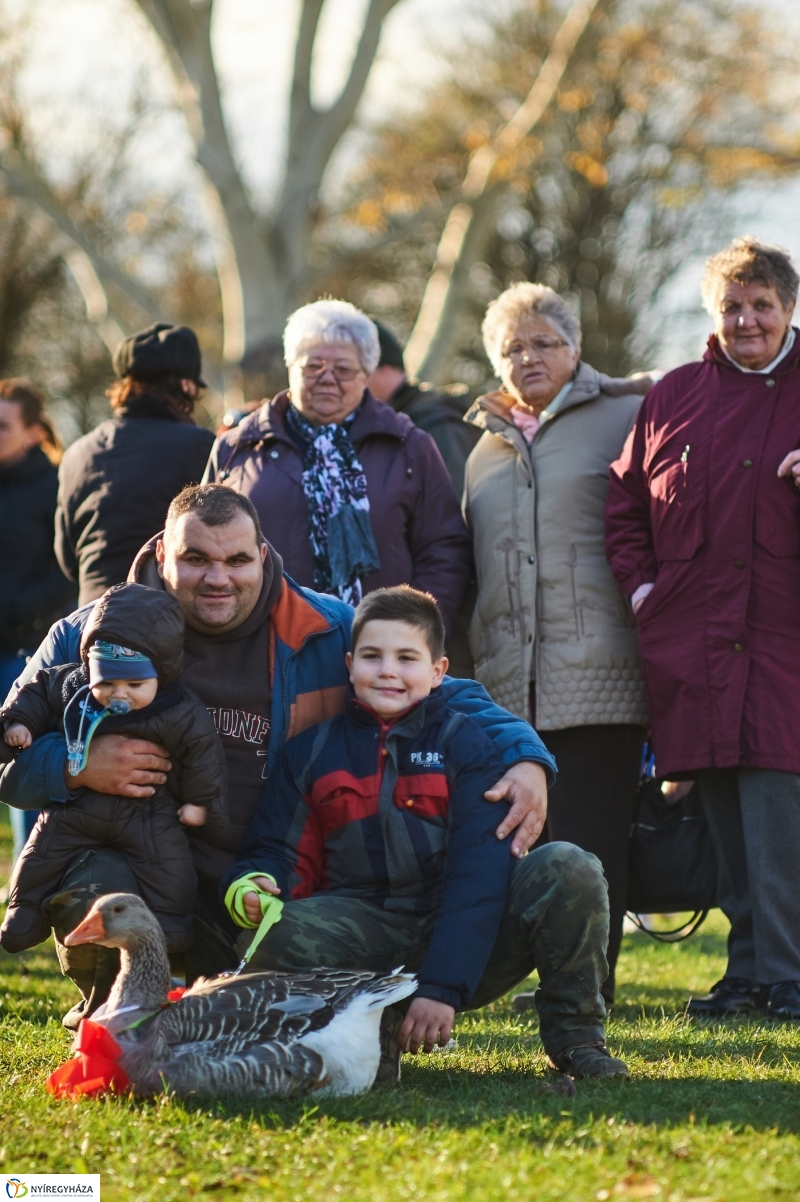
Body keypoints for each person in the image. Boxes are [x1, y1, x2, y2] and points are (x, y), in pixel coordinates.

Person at [0, 483, 554, 1027]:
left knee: (254, 1016)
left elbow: (447, 693)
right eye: (196, 559)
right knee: (96, 886)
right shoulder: (87, 633)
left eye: (237, 560)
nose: (218, 578)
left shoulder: (326, 628)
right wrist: (77, 765)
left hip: (272, 890)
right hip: (142, 872)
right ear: (163, 554)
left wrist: (527, 758)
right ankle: (114, 1013)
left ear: (263, 556)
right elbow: (8, 750)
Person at [223, 586, 627, 1081]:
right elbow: (280, 852)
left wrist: (442, 988)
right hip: (365, 932)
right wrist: (256, 884)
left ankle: (578, 1038)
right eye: (372, 656)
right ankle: (369, 1028)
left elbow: (478, 875)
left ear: (438, 672)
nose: (387, 671)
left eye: (406, 658)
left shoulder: (469, 745)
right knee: (276, 931)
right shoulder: (309, 752)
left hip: (467, 932)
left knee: (570, 867)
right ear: (349, 665)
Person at [606, 235, 800, 1020]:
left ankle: (787, 974)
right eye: (732, 306)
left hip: (784, 644)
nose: (746, 320)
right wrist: (644, 592)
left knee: (779, 814)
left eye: (762, 305)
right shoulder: (675, 395)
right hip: (695, 644)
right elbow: (625, 506)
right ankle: (747, 974)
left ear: (789, 308)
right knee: (722, 818)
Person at [462, 282, 651, 1004]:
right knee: (528, 842)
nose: (529, 357)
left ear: (576, 349)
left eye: (545, 342)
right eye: (513, 347)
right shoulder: (482, 447)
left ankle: (589, 988)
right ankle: (543, 979)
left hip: (602, 670)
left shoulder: (627, 415)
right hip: (510, 681)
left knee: (594, 836)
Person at [204, 300, 471, 634]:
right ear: (291, 367)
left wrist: (414, 635)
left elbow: (443, 550)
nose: (327, 378)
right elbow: (203, 544)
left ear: (366, 375)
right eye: (313, 366)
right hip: (260, 648)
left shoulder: (409, 446)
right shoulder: (238, 447)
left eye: (343, 369)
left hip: (377, 649)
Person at [0, 583, 228, 955]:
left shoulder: (178, 707)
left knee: (170, 867)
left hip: (148, 813)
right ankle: (23, 913)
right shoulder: (73, 686)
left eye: (135, 684)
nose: (119, 695)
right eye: (106, 682)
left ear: (162, 673)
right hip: (77, 808)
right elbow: (38, 691)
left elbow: (203, 752)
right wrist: (19, 723)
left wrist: (198, 802)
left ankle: (171, 927)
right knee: (42, 852)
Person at [55, 322, 215, 607]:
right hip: (164, 617)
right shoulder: (200, 446)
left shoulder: (77, 453)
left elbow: (68, 560)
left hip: (91, 617)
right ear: (186, 385)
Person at [0, 379, 75, 862]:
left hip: (24, 654)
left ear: (32, 433)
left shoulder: (55, 487)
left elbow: (68, 571)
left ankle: (29, 876)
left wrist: (20, 611)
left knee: (22, 767)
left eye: (3, 426)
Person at [366, 322, 480, 500]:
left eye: (358, 372)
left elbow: (451, 503)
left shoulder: (437, 423)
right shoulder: (391, 422)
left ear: (384, 368)